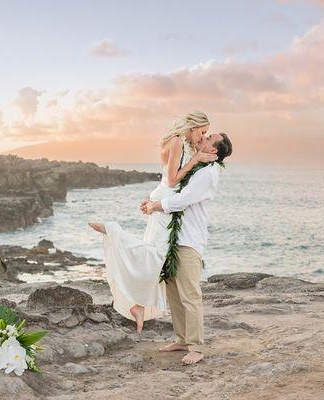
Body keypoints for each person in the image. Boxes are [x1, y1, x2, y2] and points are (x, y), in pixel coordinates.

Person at [88, 111, 217, 334]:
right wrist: (197, 159)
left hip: (164, 198)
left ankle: (139, 306)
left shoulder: (180, 142)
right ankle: (112, 230)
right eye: (202, 132)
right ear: (192, 127)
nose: (202, 136)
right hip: (166, 198)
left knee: (160, 258)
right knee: (155, 254)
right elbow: (172, 179)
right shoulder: (177, 141)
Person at [142, 132, 232, 365]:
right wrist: (153, 200)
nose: (202, 138)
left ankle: (196, 347)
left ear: (213, 150)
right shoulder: (195, 167)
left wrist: (155, 206)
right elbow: (172, 188)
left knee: (190, 295)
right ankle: (182, 339)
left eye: (208, 137)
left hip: (188, 241)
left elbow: (183, 200)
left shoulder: (207, 172)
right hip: (173, 238)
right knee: (174, 293)